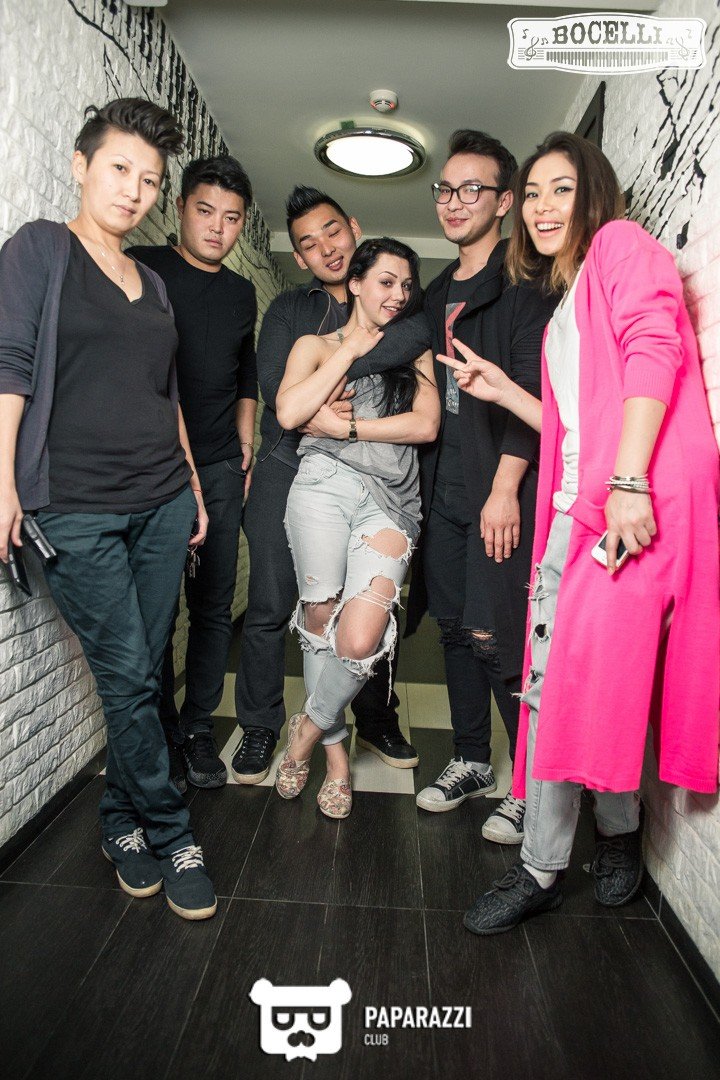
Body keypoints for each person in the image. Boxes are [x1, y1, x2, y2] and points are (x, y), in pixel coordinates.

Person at [437, 131, 719, 934]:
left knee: (570, 684)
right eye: (531, 193)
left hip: (621, 510)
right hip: (578, 513)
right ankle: (609, 837)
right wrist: (503, 390)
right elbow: (574, 430)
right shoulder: (571, 297)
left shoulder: (622, 245)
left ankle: (547, 865)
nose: (541, 207)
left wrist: (629, 481)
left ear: (594, 194)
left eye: (560, 189)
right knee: (573, 683)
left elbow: (655, 348)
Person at [0, 98, 218, 921]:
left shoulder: (152, 283)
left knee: (146, 668)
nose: (133, 190)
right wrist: (3, 483)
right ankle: (171, 829)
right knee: (127, 674)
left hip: (161, 500)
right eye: (120, 169)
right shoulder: (41, 247)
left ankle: (120, 819)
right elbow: (10, 364)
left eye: (149, 179)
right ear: (81, 165)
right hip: (75, 507)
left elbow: (166, 395)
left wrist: (191, 486)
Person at [231, 188, 430, 785]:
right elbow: (280, 396)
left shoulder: (402, 313)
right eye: (309, 244)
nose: (326, 248)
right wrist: (325, 382)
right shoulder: (291, 312)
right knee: (277, 602)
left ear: (354, 229)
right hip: (293, 465)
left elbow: (417, 401)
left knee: (365, 615)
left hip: (378, 478)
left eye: (333, 232)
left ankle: (371, 717)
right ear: (298, 257)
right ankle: (264, 726)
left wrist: (339, 401)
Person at [409, 130, 556, 844]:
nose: (454, 201)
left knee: (496, 636)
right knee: (451, 630)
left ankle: (530, 786)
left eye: (472, 189)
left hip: (501, 489)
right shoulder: (437, 293)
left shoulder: (527, 287)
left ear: (503, 202)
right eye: (445, 188)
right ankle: (472, 759)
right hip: (443, 490)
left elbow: (536, 396)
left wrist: (504, 490)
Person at [273, 237, 439, 817]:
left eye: (406, 285)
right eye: (386, 282)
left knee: (360, 637)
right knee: (320, 618)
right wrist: (349, 351)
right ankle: (337, 762)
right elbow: (289, 412)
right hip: (322, 488)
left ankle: (305, 732)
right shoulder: (315, 346)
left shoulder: (414, 350)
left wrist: (344, 429)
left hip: (390, 501)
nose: (398, 295)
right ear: (356, 284)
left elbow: (425, 425)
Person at [128, 155, 258, 792]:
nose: (217, 228)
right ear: (179, 208)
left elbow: (245, 374)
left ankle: (198, 727)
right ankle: (159, 732)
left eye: (231, 218)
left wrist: (244, 441)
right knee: (157, 608)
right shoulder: (143, 268)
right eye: (205, 212)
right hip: (156, 466)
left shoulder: (241, 292)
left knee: (212, 605)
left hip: (221, 464)